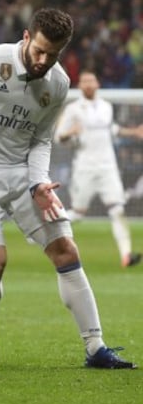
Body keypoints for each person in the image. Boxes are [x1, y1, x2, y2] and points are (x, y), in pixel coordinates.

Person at [0, 7, 137, 369]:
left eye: (53, 54)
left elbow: (42, 140)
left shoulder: (58, 83)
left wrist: (40, 181)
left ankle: (95, 347)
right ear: (26, 37)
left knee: (66, 250)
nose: (44, 60)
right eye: (39, 50)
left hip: (24, 177)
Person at [55, 70, 143, 268]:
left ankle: (126, 255)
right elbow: (58, 137)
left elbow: (111, 129)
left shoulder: (106, 107)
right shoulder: (73, 109)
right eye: (84, 81)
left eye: (91, 80)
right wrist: (70, 132)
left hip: (108, 168)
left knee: (118, 209)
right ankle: (45, 228)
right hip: (84, 169)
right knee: (77, 213)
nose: (88, 84)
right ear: (80, 86)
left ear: (97, 84)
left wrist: (133, 132)